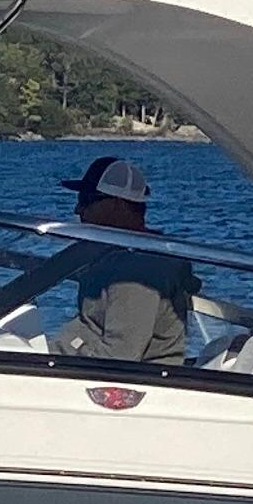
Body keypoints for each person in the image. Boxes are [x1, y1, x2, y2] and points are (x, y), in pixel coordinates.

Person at [51, 156, 195, 366]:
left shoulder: (138, 270)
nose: (78, 210)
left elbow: (119, 357)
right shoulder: (115, 257)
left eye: (86, 200)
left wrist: (66, 349)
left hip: (126, 380)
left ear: (117, 204)